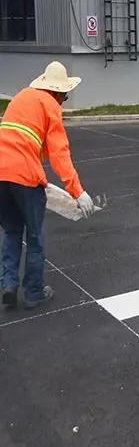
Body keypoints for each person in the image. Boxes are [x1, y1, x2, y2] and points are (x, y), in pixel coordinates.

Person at [0, 61, 95, 309]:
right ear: (56, 92)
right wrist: (78, 192)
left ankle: (8, 286)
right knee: (34, 236)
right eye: (64, 96)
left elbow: (23, 139)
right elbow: (59, 154)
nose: (63, 101)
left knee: (11, 232)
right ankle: (33, 292)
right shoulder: (50, 105)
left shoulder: (21, 97)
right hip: (24, 178)